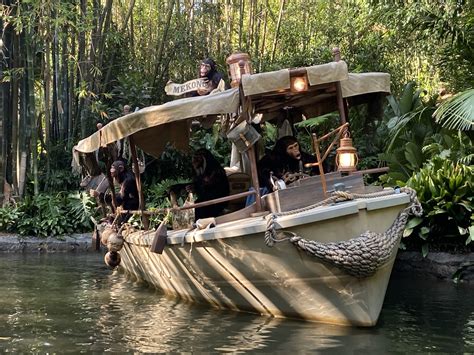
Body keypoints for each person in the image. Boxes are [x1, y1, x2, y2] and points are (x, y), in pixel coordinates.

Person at [186, 148, 229, 220]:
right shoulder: (200, 171)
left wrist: (196, 187)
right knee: (194, 207)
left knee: (197, 207)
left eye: (197, 159)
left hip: (218, 202)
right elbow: (200, 185)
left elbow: (208, 186)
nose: (194, 163)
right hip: (207, 201)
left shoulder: (216, 171)